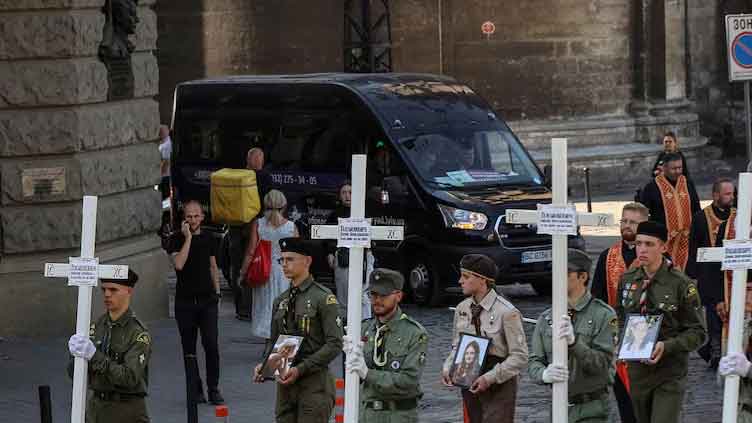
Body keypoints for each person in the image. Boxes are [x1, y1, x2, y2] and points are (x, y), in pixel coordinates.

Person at [616, 221, 706, 423]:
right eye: (639, 244)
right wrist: (621, 344)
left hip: (669, 371)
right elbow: (621, 318)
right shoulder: (628, 280)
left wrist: (667, 346)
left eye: (649, 244)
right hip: (637, 371)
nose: (642, 250)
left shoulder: (681, 284)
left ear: (663, 247)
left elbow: (698, 332)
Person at [253, 238, 343, 423]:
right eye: (282, 260)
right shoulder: (281, 300)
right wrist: (265, 367)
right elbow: (274, 341)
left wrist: (301, 369)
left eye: (290, 259)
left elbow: (335, 343)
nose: (284, 265)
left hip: (314, 384)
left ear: (307, 261)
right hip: (286, 386)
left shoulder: (323, 298)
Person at [529, 248, 618, 423]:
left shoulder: (603, 315)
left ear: (582, 277)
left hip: (592, 410)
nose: (556, 277)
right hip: (558, 409)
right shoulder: (547, 318)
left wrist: (574, 342)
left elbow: (603, 365)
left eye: (564, 272)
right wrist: (544, 374)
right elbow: (534, 361)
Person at [441, 254, 528, 423]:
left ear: (482, 280)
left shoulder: (507, 312)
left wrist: (490, 377)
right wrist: (448, 367)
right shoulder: (462, 309)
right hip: (469, 375)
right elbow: (457, 345)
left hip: (498, 380)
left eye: (466, 276)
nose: (460, 281)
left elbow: (520, 356)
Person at [342, 268, 428, 423]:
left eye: (383, 295)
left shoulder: (414, 333)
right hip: (366, 414)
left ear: (398, 296)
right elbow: (353, 377)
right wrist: (350, 356)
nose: (377, 300)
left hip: (397, 415)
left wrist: (368, 373)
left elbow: (409, 381)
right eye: (373, 294)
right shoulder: (363, 329)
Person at [67, 270, 151, 423]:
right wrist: (75, 357)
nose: (106, 294)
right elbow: (75, 374)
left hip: (126, 410)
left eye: (113, 290)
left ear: (128, 291)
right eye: (104, 289)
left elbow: (129, 378)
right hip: (96, 409)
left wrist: (94, 356)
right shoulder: (95, 326)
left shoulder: (137, 333)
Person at [590, 202, 647, 423]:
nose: (626, 226)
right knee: (623, 397)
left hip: (646, 331)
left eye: (633, 222)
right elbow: (597, 296)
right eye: (624, 221)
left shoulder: (653, 253)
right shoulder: (608, 255)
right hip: (616, 334)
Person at [167, 200, 224, 405]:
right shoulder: (175, 239)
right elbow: (179, 264)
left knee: (211, 344)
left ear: (202, 217)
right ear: (184, 218)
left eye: (196, 216)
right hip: (185, 303)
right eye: (189, 216)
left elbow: (212, 266)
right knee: (188, 349)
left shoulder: (209, 237)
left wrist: (217, 292)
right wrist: (188, 238)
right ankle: (196, 388)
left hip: (207, 301)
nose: (192, 220)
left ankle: (213, 387)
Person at [686, 177, 735, 367]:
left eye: (733, 193)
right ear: (715, 195)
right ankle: (715, 350)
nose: (731, 197)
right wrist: (694, 274)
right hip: (709, 273)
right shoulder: (700, 217)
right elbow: (694, 246)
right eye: (727, 194)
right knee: (714, 313)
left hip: (730, 271)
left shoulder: (737, 215)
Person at [240, 190, 298, 341]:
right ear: (284, 206)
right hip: (285, 273)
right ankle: (279, 341)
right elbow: (297, 255)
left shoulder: (259, 224)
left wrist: (242, 273)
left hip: (263, 272)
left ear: (265, 204)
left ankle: (268, 341)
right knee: (284, 308)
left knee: (266, 306)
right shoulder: (291, 227)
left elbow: (251, 251)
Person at [639, 152, 701, 270]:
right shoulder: (651, 187)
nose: (678, 171)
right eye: (674, 168)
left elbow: (696, 209)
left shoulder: (687, 183)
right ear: (665, 168)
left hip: (686, 242)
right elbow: (644, 216)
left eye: (680, 168)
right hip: (663, 242)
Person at [327, 180, 374, 318]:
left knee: (362, 295)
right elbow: (328, 237)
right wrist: (330, 253)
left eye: (350, 192)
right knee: (343, 296)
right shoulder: (335, 214)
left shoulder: (365, 212)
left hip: (363, 257)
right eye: (344, 193)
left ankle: (364, 326)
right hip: (342, 258)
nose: (347, 196)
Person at [158, 124, 172, 200]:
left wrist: (160, 174)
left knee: (163, 197)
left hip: (165, 176)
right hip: (166, 175)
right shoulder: (165, 143)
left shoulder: (166, 145)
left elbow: (166, 161)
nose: (159, 133)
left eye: (161, 131)